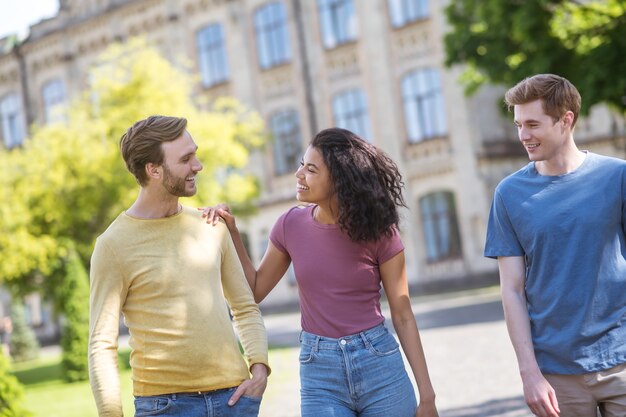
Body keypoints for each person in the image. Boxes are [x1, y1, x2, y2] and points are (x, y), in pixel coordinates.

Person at [203, 127, 438, 417]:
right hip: (320, 371)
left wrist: (427, 397)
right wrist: (233, 232)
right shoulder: (290, 225)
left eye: (311, 169)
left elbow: (403, 314)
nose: (299, 175)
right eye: (302, 164)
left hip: (379, 364)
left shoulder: (379, 231)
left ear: (339, 179)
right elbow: (255, 289)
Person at [88, 115, 270, 417]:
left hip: (233, 401)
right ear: (154, 170)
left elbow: (245, 307)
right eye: (186, 159)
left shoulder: (212, 226)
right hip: (164, 407)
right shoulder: (112, 245)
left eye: (195, 154)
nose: (198, 165)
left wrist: (259, 368)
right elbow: (101, 344)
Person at [484, 74, 626, 417]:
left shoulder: (617, 177)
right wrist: (530, 374)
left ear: (566, 120)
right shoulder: (508, 194)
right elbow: (512, 290)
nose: (523, 136)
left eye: (532, 124)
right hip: (556, 375)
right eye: (518, 125)